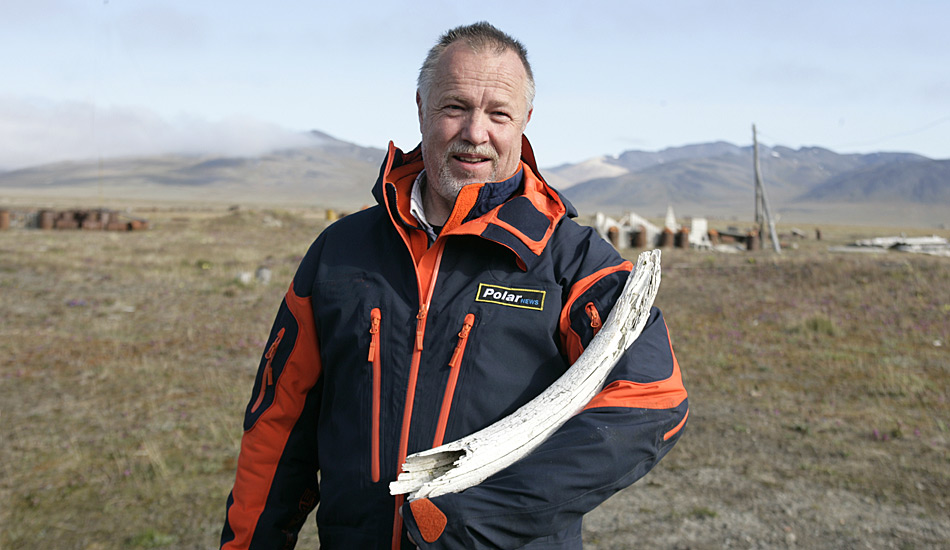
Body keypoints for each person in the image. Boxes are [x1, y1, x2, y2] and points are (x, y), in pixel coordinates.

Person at [221, 21, 688, 550]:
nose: (475, 132)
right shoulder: (340, 252)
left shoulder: (572, 263)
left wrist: (471, 521)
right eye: (454, 107)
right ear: (420, 107)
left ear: (525, 122)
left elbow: (653, 398)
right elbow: (279, 424)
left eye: (498, 114)